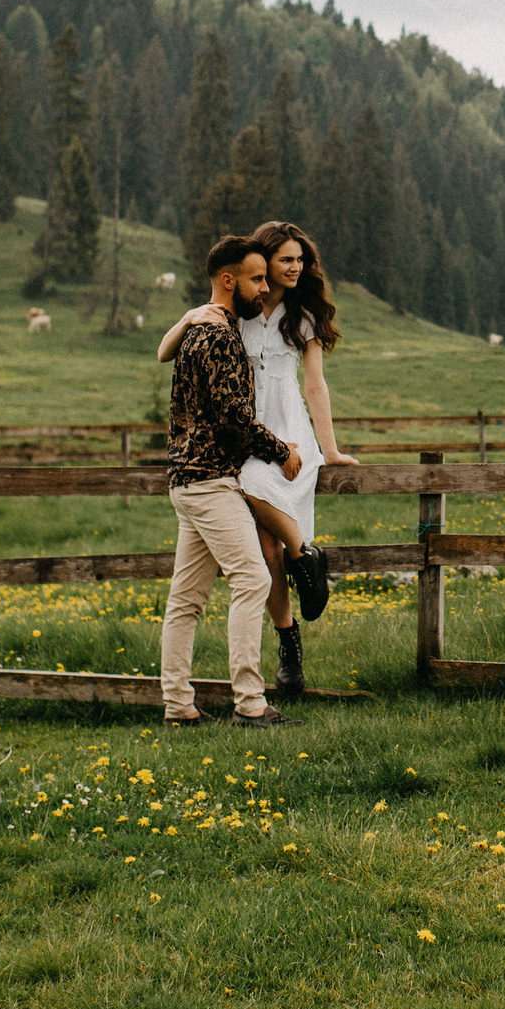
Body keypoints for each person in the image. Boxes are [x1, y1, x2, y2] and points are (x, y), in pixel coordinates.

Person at [179, 219, 359, 694]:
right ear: (265, 263)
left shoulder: (303, 316)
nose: (295, 268)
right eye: (286, 260)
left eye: (300, 260)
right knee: (264, 550)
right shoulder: (238, 311)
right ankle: (297, 598)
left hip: (290, 429)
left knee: (263, 529)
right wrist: (186, 320)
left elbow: (315, 384)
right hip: (248, 432)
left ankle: (299, 568)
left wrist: (329, 448)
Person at [153, 234, 303, 728]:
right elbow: (233, 417)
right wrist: (282, 451)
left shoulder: (202, 329)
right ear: (227, 280)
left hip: (186, 480)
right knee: (253, 578)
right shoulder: (217, 336)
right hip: (209, 480)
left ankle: (178, 706)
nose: (265, 288)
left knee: (186, 600)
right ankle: (250, 703)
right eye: (256, 279)